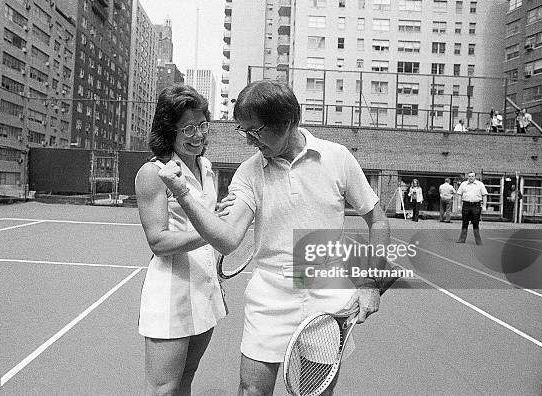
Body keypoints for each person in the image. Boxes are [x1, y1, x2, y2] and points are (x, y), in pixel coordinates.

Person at [158, 80, 390, 396]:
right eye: (244, 131)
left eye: (256, 131)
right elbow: (227, 240)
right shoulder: (248, 172)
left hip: (326, 295)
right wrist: (183, 193)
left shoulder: (338, 157)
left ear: (288, 121)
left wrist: (369, 285)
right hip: (269, 295)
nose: (250, 140)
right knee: (251, 390)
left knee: (316, 392)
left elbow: (376, 219)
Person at [134, 85, 227, 395]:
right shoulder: (154, 172)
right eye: (188, 128)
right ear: (167, 130)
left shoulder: (206, 168)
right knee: (163, 388)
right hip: (170, 292)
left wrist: (218, 214)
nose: (197, 135)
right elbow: (158, 242)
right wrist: (212, 230)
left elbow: (205, 215)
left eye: (202, 125)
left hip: (205, 289)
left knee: (186, 377)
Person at [456, 171, 488, 245]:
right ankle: (462, 239)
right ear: (468, 177)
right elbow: (459, 195)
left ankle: (478, 241)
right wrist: (459, 205)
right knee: (464, 222)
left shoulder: (480, 184)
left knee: (476, 223)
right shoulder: (463, 184)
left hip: (476, 205)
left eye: (472, 176)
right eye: (469, 176)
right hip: (466, 205)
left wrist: (484, 206)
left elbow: (484, 195)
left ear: (475, 177)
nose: (471, 177)